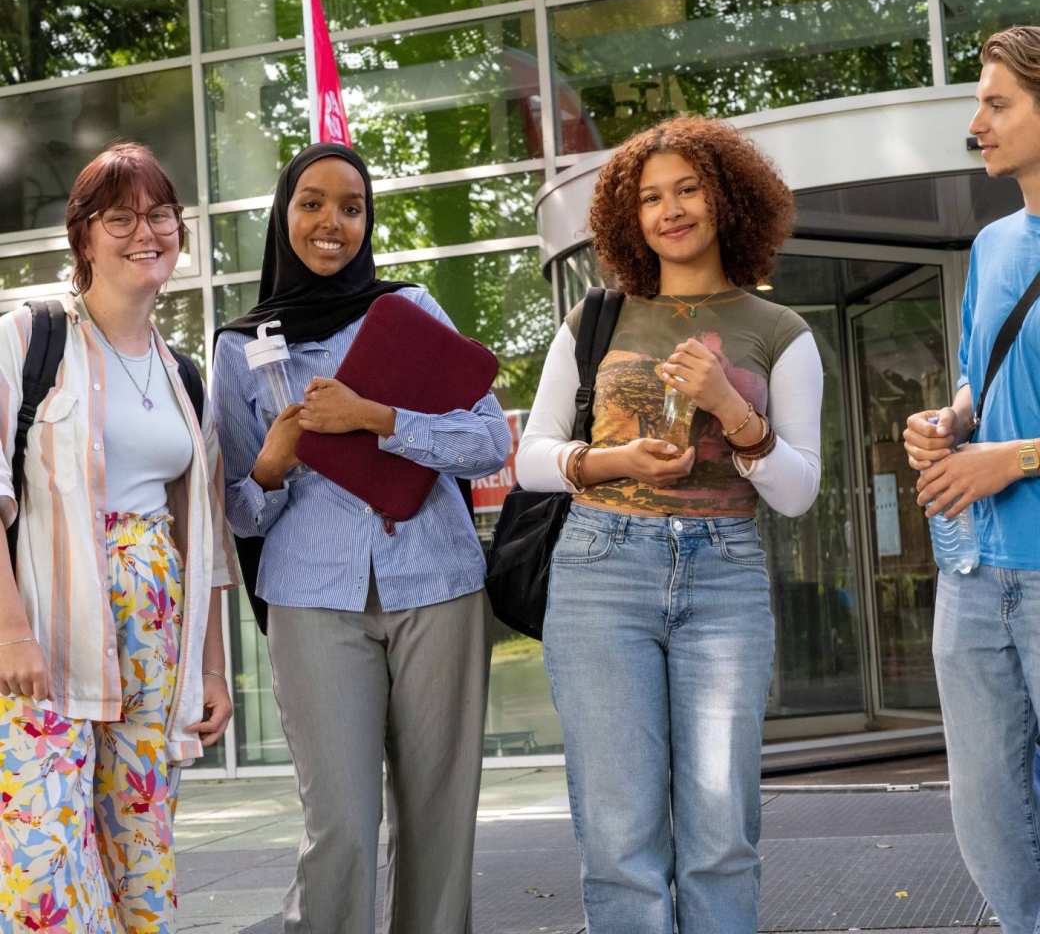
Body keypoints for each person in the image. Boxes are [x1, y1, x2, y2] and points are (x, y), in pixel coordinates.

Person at [516, 116, 823, 934]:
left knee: (722, 834)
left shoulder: (781, 333)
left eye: (688, 189)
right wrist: (614, 462)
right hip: (600, 569)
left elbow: (797, 492)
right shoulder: (595, 321)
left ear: (726, 198)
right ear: (630, 217)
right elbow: (530, 457)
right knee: (619, 836)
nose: (671, 210)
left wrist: (731, 408)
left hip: (724, 571)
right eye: (651, 197)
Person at [210, 142, 511, 934]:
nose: (331, 223)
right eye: (312, 203)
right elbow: (238, 511)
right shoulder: (239, 346)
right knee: (339, 822)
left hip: (437, 583)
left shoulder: (409, 308)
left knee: (438, 819)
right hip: (313, 598)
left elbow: (490, 443)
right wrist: (272, 466)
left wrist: (379, 421)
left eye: (352, 206)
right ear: (284, 215)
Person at [0, 142, 237, 932]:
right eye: (121, 216)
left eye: (161, 214)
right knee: (44, 856)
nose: (147, 232)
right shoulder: (31, 338)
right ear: (83, 235)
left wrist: (211, 666)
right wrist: (10, 633)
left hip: (154, 641)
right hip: (48, 638)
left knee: (139, 843)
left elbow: (200, 527)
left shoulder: (183, 374)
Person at [904, 26, 1040, 934]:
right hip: (974, 572)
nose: (976, 122)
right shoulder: (993, 246)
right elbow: (975, 373)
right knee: (986, 809)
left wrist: (1015, 458)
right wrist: (950, 421)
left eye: (998, 104)